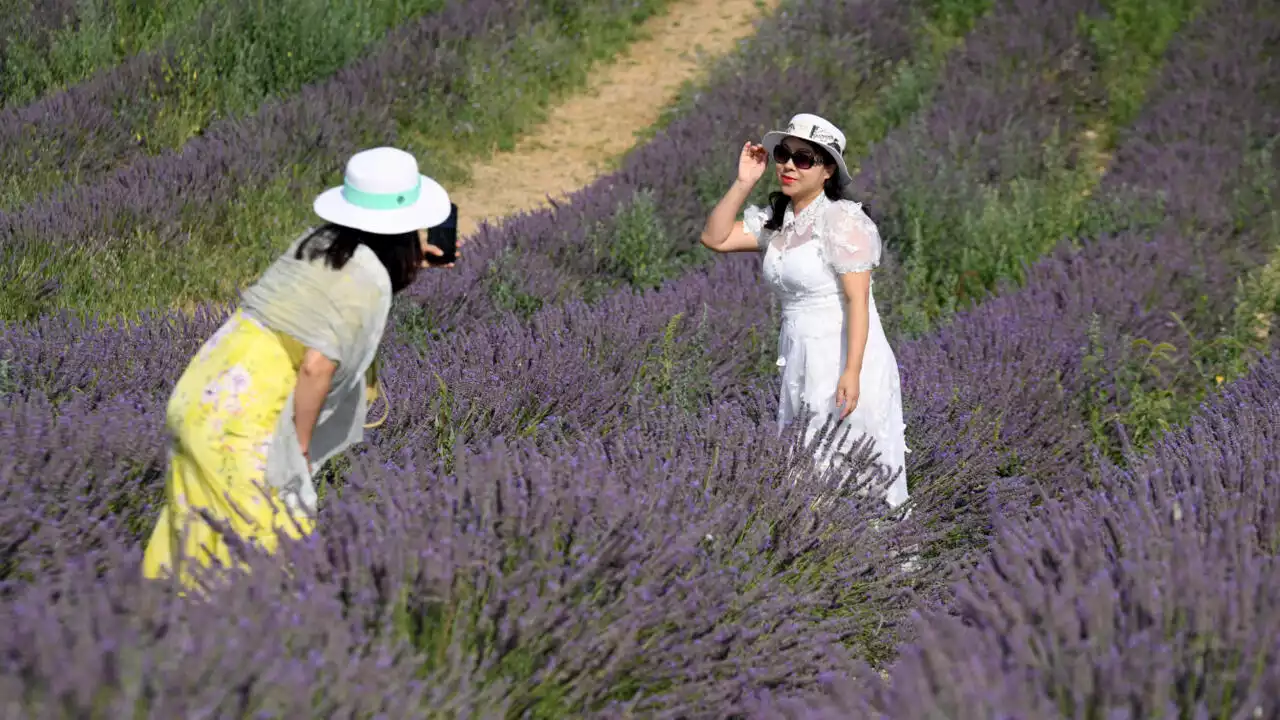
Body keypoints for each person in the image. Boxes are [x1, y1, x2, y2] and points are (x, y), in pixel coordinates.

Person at [142, 146, 461, 587]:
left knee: (194, 547)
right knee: (273, 557)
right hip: (244, 421)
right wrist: (301, 451)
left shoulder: (321, 245)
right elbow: (316, 365)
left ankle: (163, 635)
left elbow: (336, 303)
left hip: (200, 397)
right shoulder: (365, 279)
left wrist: (410, 261)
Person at [699, 113, 909, 510]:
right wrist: (745, 182)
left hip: (843, 357)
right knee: (806, 472)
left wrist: (852, 371)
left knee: (852, 469)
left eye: (804, 159)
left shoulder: (844, 222)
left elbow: (858, 302)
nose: (789, 166)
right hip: (799, 358)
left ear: (828, 170)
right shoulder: (778, 221)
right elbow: (715, 237)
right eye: (784, 154)